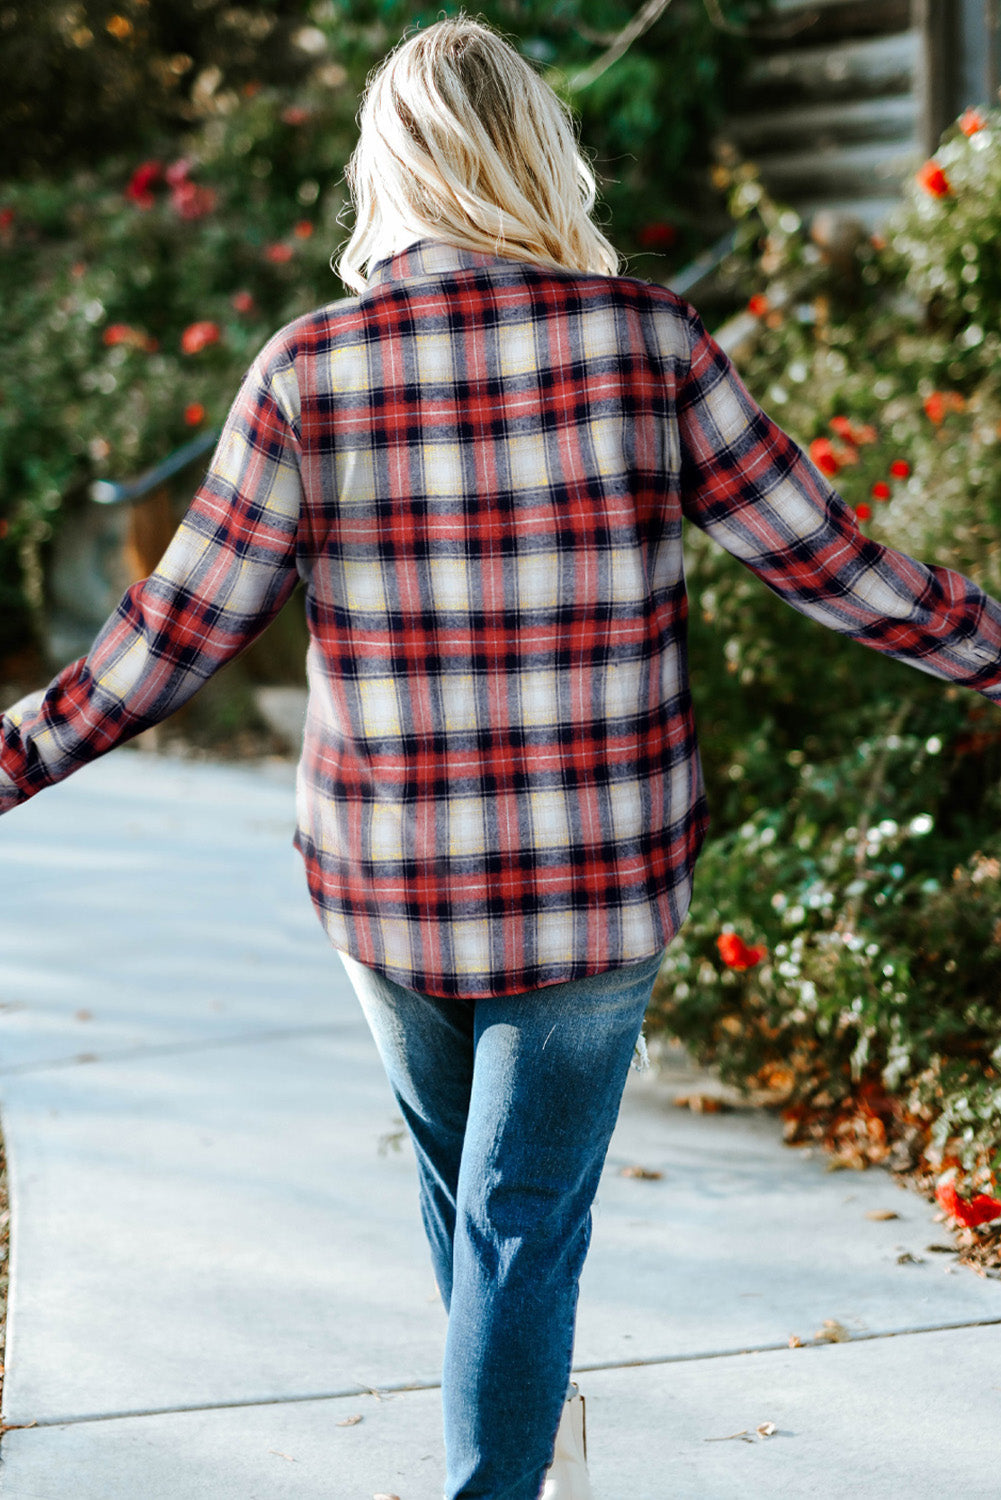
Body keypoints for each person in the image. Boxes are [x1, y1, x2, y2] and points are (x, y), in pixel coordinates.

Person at [2, 14, 1001, 1499]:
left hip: (391, 884)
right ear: (538, 153)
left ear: (384, 168)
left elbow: (174, 635)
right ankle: (508, 1462)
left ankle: (511, 1448)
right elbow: (826, 563)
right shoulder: (647, 346)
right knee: (519, 1220)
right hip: (592, 879)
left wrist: (12, 758)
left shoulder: (308, 371)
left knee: (477, 1207)